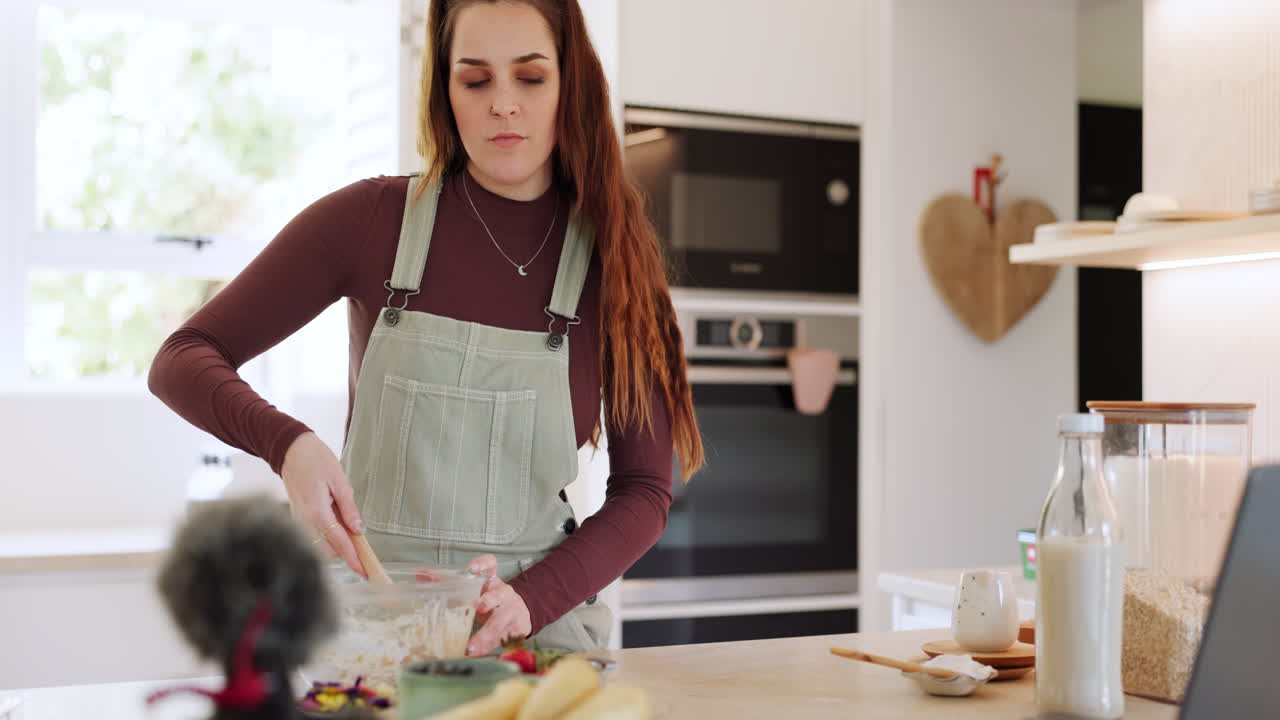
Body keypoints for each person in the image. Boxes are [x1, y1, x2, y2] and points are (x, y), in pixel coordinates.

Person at [149, 0, 703, 656]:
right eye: (475, 80)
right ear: (445, 93)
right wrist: (288, 446)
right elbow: (182, 357)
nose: (503, 103)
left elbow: (645, 491)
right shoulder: (368, 221)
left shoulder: (617, 261)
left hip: (535, 632)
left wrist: (535, 596)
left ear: (569, 85)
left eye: (529, 77)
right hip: (369, 624)